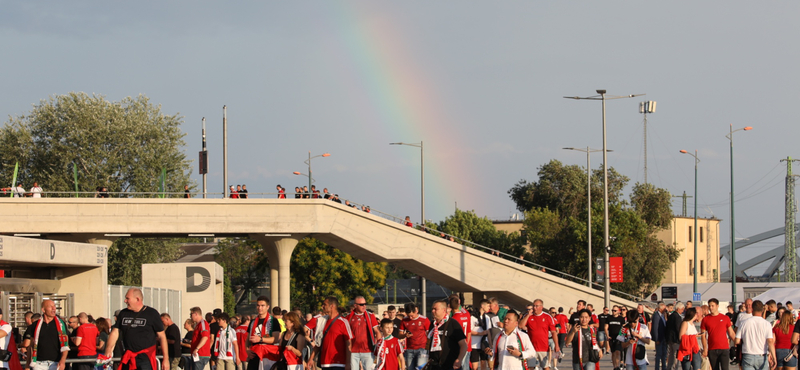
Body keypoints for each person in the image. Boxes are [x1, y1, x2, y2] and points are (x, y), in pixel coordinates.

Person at [102, 288, 170, 370]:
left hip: (145, 359)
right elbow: (115, 332)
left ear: (137, 299)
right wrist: (108, 349)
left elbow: (162, 336)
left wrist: (165, 359)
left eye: (127, 298)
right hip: (128, 357)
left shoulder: (152, 313)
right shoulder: (123, 313)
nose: (125, 301)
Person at [307, 296, 353, 370]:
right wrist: (311, 358)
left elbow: (349, 343)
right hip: (324, 363)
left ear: (332, 306)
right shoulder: (322, 321)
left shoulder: (343, 322)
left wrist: (348, 363)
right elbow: (318, 343)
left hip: (338, 363)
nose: (322, 307)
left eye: (324, 304)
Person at [25, 300, 69, 370]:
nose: (54, 308)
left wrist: (63, 361)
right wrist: (27, 366)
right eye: (50, 306)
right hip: (39, 364)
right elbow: (31, 346)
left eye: (54, 306)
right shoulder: (35, 325)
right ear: (43, 309)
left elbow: (65, 345)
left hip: (55, 363)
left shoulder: (61, 325)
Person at [427, 299, 468, 370]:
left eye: (435, 309)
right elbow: (428, 342)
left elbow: (464, 344)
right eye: (432, 309)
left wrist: (459, 359)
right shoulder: (433, 324)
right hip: (434, 365)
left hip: (450, 365)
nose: (432, 311)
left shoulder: (453, 324)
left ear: (443, 310)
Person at [734, 300, 775, 370]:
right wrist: (774, 357)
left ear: (752, 309)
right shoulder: (767, 324)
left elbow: (737, 341)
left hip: (748, 355)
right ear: (762, 310)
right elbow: (770, 342)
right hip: (762, 355)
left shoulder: (743, 323)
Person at [523, 299, 560, 370]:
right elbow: (520, 326)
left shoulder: (548, 317)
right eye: (534, 306)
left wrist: (557, 345)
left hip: (543, 347)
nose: (534, 308)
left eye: (537, 306)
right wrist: (527, 315)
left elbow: (553, 332)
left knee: (545, 367)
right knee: (530, 367)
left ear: (541, 307)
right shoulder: (528, 316)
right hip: (531, 348)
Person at [700, 298, 735, 370]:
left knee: (725, 368)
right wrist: (705, 349)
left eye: (712, 306)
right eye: (709, 306)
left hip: (724, 348)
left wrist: (736, 342)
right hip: (712, 349)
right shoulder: (705, 319)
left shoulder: (725, 318)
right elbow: (703, 335)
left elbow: (731, 332)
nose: (711, 308)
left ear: (717, 306)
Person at [347, 296, 380, 370]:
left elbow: (377, 331)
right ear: (355, 305)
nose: (364, 306)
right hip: (353, 351)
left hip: (368, 350)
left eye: (365, 304)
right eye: (361, 304)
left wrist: (379, 346)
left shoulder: (370, 316)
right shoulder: (349, 317)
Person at [248, 296, 280, 370]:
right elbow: (247, 338)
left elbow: (275, 339)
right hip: (254, 355)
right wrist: (247, 350)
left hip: (267, 356)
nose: (260, 308)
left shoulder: (273, 321)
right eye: (258, 305)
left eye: (262, 305)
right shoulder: (253, 321)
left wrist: (261, 339)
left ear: (267, 307)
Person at [399, 302, 431, 370]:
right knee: (410, 368)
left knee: (420, 368)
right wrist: (405, 335)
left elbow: (429, 334)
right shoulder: (404, 320)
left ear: (416, 311)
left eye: (412, 315)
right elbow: (399, 334)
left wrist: (428, 347)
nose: (410, 317)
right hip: (409, 349)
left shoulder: (424, 319)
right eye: (408, 315)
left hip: (422, 348)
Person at [666, 303, 686, 370]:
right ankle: (674, 368)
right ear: (678, 309)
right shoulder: (677, 317)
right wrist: (681, 337)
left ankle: (669, 367)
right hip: (675, 339)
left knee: (671, 354)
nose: (683, 310)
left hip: (670, 338)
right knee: (675, 355)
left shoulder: (671, 316)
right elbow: (678, 328)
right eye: (682, 309)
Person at [651, 303, 668, 370]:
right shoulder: (656, 316)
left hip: (663, 337)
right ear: (660, 309)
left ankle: (664, 367)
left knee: (664, 354)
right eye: (664, 309)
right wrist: (656, 339)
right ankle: (657, 368)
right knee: (659, 354)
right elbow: (655, 328)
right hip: (659, 338)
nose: (665, 310)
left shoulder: (662, 315)